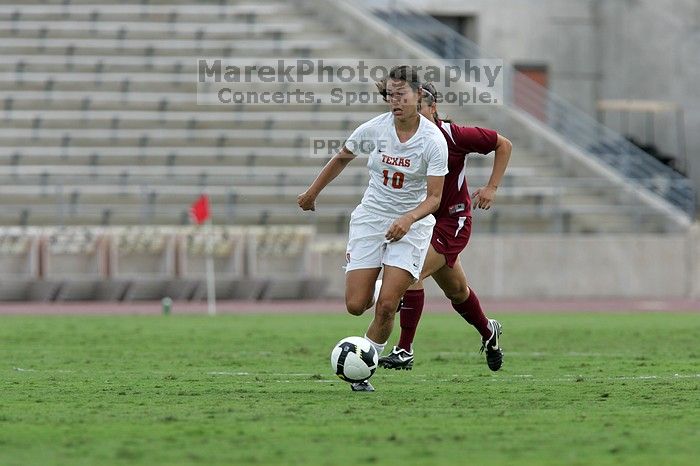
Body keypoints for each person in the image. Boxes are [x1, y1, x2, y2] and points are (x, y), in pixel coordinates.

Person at [297, 66, 448, 392]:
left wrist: (408, 219)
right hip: (371, 220)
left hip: (413, 225)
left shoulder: (433, 141)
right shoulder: (375, 129)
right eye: (389, 95)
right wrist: (312, 192)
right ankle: (388, 283)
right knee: (355, 305)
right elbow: (341, 157)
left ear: (418, 95)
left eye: (401, 95)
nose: (394, 102)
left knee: (386, 308)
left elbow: (435, 198)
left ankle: (362, 371)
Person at [374, 81, 513, 372]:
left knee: (411, 273)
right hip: (422, 221)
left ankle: (404, 350)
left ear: (433, 107)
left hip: (452, 220)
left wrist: (491, 187)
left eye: (419, 107)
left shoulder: (454, 135)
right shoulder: (406, 137)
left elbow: (503, 144)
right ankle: (489, 332)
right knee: (458, 291)